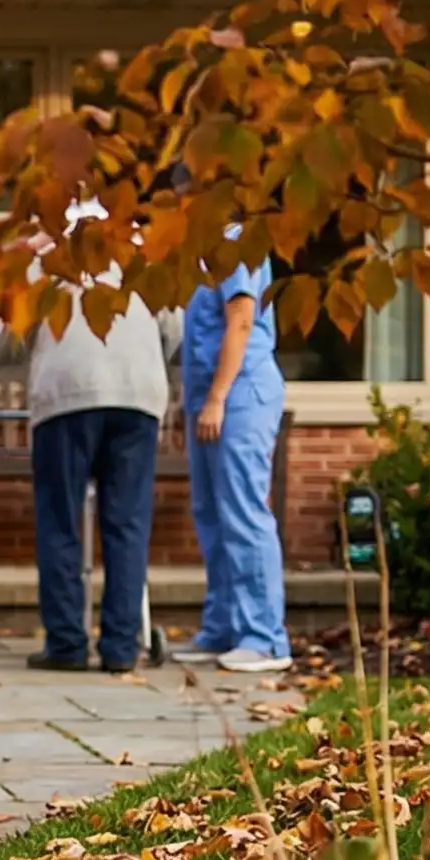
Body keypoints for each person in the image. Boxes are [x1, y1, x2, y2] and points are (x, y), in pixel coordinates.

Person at [24, 213, 169, 673]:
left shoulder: (46, 260)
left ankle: (67, 645)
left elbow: (10, 329)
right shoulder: (142, 257)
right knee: (126, 523)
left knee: (60, 520)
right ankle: (121, 648)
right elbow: (174, 328)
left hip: (66, 398)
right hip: (137, 397)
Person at [179, 230, 292, 674]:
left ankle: (264, 638)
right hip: (212, 397)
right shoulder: (203, 251)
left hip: (239, 396)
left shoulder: (234, 245)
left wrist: (218, 396)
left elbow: (242, 318)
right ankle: (223, 628)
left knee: (243, 512)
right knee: (211, 513)